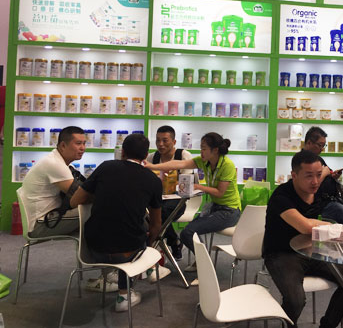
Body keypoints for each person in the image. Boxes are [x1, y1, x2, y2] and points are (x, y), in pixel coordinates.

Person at [263, 149, 343, 328]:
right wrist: (332, 227)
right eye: (308, 176)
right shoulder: (281, 196)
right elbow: (305, 227)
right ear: (294, 175)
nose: (315, 181)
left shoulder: (319, 191)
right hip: (281, 253)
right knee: (295, 300)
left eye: (318, 175)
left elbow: (313, 223)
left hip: (311, 251)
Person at [70, 133, 163, 311]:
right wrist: (149, 243)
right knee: (138, 232)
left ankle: (118, 278)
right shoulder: (153, 181)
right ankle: (125, 294)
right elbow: (156, 224)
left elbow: (75, 201)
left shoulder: (106, 167)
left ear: (123, 152)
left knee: (120, 230)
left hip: (93, 249)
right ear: (145, 156)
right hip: (128, 253)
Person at [145, 132, 241, 266]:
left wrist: (198, 186)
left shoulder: (227, 165)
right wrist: (152, 166)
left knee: (187, 232)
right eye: (201, 148)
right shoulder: (205, 161)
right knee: (189, 230)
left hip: (229, 211)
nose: (201, 152)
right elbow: (177, 164)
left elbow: (220, 192)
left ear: (215, 150)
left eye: (204, 149)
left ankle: (204, 264)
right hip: (214, 207)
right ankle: (202, 261)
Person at [21, 126, 86, 238]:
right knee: (97, 209)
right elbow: (80, 196)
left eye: (84, 143)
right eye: (78, 143)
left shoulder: (61, 163)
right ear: (63, 145)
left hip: (49, 217)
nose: (83, 148)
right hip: (41, 225)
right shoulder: (54, 164)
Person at [146, 125, 194, 261]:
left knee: (158, 215)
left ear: (174, 142)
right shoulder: (152, 157)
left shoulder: (183, 155)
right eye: (158, 140)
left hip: (177, 199)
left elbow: (187, 183)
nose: (160, 144)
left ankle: (152, 247)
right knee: (145, 213)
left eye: (165, 140)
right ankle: (174, 241)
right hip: (157, 199)